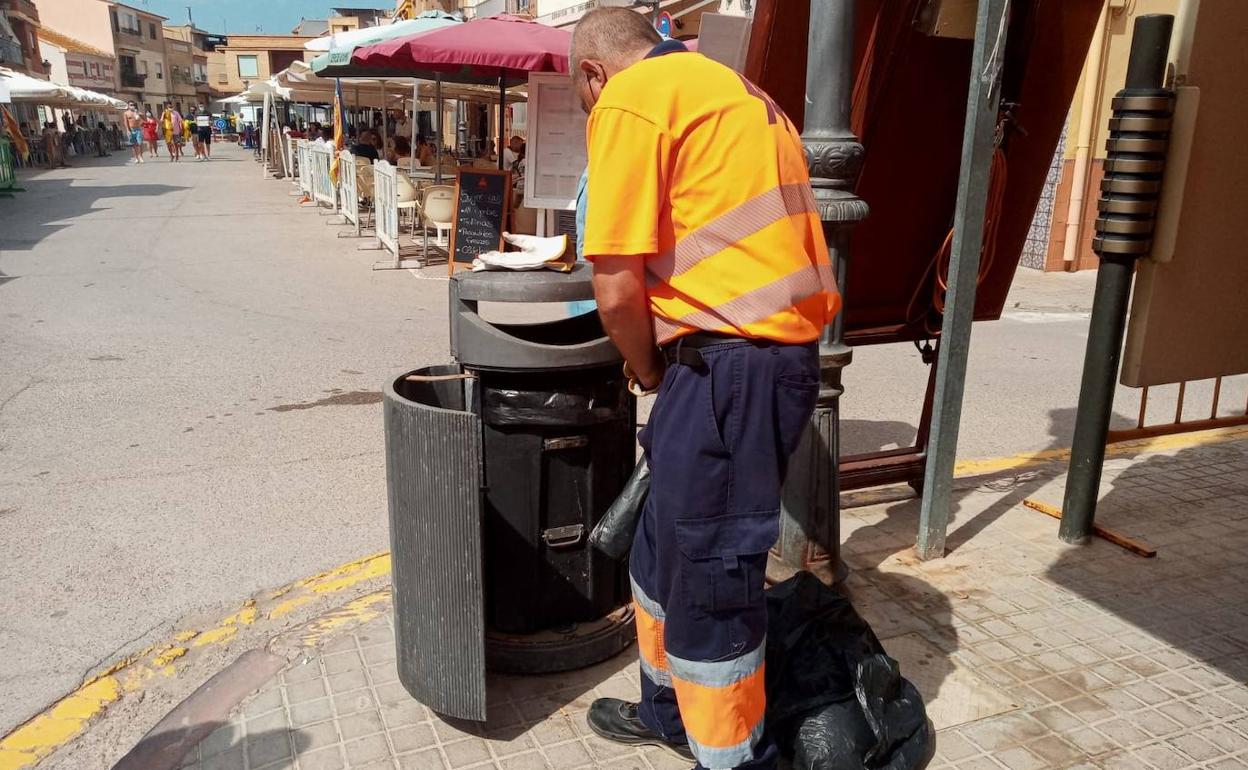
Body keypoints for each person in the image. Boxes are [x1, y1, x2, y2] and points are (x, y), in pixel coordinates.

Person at [572, 10, 840, 770]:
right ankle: (668, 713)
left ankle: (732, 757)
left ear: (593, 73)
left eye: (584, 96)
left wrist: (648, 372)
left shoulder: (634, 96)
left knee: (711, 569)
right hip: (745, 358)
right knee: (661, 547)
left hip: (726, 364)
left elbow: (617, 287)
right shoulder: (726, 87)